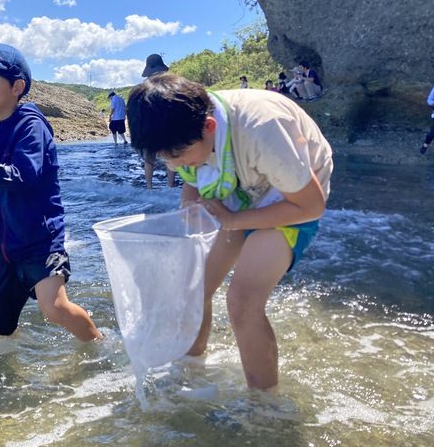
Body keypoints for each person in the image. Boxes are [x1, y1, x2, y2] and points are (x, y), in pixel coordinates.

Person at [126, 74, 333, 391]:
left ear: (209, 127)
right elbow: (192, 175)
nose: (174, 166)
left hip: (290, 194)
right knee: (193, 290)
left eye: (178, 158)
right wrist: (190, 206)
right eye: (166, 159)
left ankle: (265, 407)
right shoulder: (183, 123)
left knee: (242, 301)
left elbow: (311, 205)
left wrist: (234, 221)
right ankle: (190, 374)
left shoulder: (263, 130)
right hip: (240, 185)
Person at [0, 43, 102, 342]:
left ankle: (98, 344)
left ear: (17, 86)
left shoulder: (30, 125)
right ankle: (8, 366)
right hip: (1, 244)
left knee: (54, 309)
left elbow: (23, 176)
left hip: (40, 241)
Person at [141, 54, 176, 189]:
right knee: (170, 156)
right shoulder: (170, 83)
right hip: (167, 124)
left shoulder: (144, 86)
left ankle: (149, 187)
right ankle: (170, 186)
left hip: (149, 126)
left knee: (149, 158)